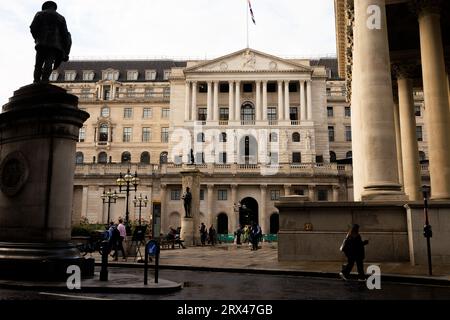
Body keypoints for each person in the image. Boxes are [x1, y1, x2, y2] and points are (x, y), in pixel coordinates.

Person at [30, 1, 72, 83]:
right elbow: (65, 34)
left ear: (45, 6)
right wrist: (65, 50)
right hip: (55, 44)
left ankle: (36, 81)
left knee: (38, 63)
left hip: (41, 43)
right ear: (54, 7)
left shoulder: (40, 14)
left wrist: (36, 38)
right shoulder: (61, 18)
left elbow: (33, 28)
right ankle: (45, 80)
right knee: (49, 62)